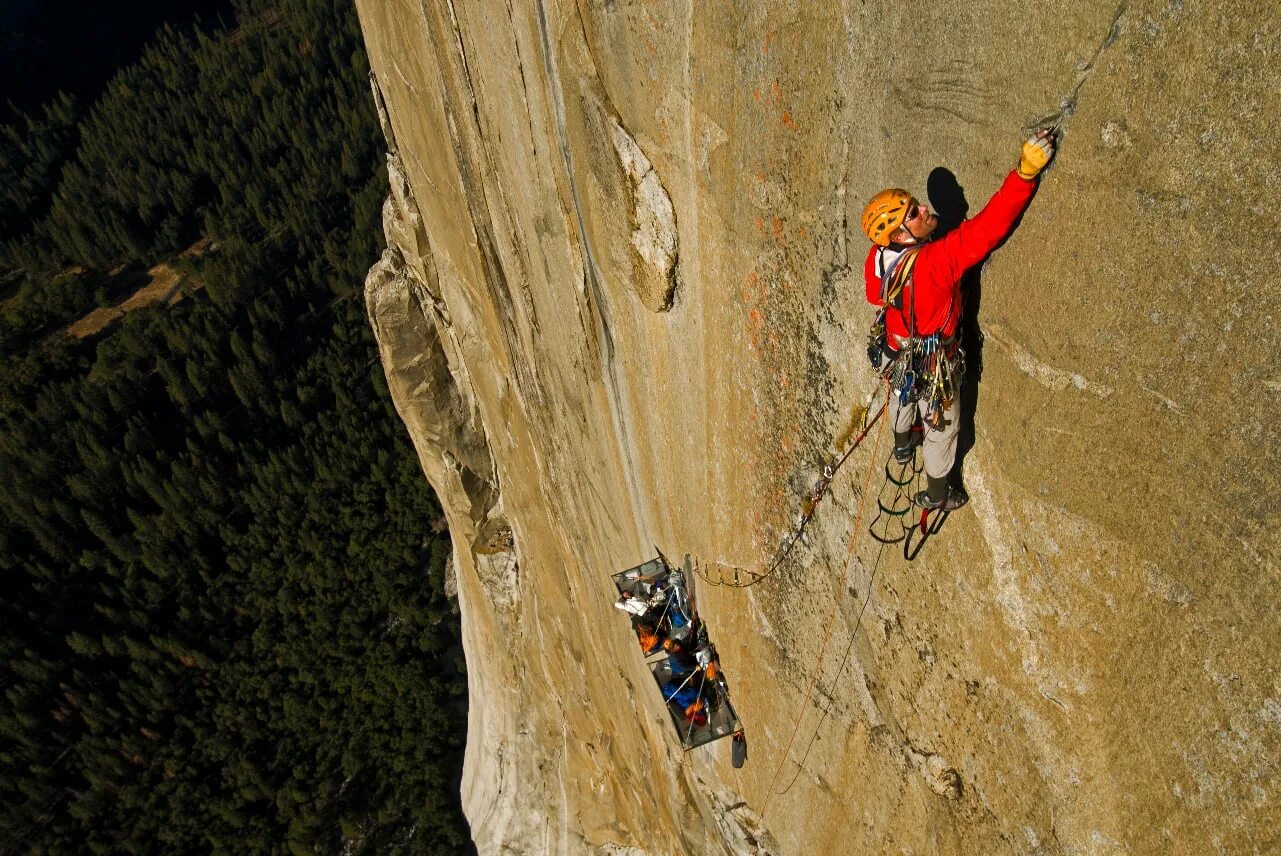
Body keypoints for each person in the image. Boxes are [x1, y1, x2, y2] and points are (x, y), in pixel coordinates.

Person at [861, 130, 1056, 510]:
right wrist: (1025, 173)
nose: (924, 210)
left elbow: (876, 294)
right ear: (901, 234)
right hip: (935, 357)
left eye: (916, 203)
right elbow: (989, 227)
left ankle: (902, 445)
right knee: (942, 426)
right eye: (914, 212)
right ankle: (938, 493)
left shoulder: (878, 261)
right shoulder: (937, 263)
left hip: (897, 347)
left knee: (903, 392)